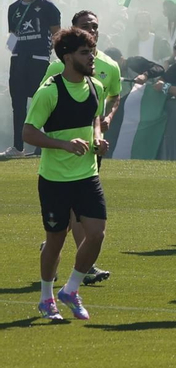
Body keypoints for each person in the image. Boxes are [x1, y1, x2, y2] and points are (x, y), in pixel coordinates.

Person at [24, 26, 108, 321]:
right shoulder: (49, 90)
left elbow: (95, 116)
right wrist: (63, 144)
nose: (92, 58)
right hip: (55, 181)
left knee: (97, 235)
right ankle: (47, 297)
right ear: (67, 56)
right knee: (56, 241)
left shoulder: (95, 86)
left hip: (87, 177)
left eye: (92, 51)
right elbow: (28, 133)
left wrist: (97, 137)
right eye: (85, 53)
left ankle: (70, 289)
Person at [7, 0, 61, 156]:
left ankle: (43, 146)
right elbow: (13, 36)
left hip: (39, 60)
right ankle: (18, 148)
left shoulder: (48, 6)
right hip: (18, 60)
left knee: (42, 102)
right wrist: (11, 50)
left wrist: (49, 55)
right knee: (18, 104)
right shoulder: (13, 9)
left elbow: (57, 35)